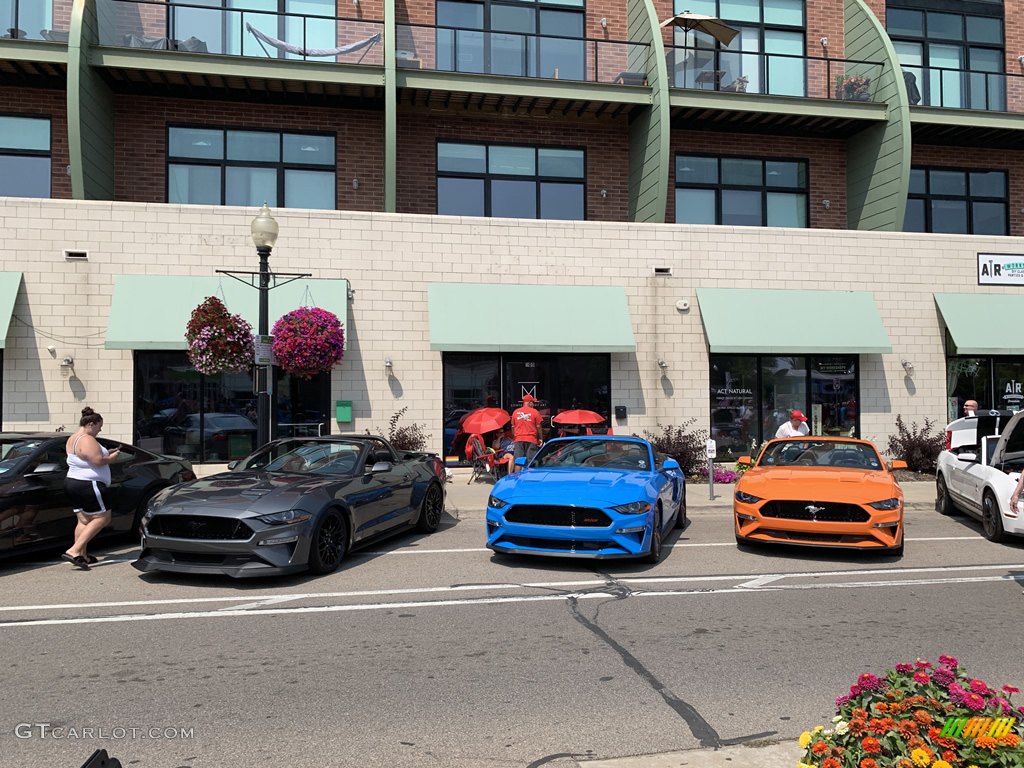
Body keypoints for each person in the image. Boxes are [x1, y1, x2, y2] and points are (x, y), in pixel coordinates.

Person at [61, 407, 120, 570]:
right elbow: (98, 461)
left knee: (84, 520)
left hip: (73, 482)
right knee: (102, 518)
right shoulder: (86, 438)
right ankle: (74, 550)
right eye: (99, 426)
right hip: (88, 484)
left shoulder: (73, 438)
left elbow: (87, 457)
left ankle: (83, 555)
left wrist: (106, 452)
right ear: (91, 424)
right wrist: (111, 458)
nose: (100, 430)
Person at [510, 394, 543, 472]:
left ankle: (517, 479)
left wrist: (515, 436)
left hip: (518, 439)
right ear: (529, 402)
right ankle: (528, 479)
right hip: (531, 439)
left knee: (518, 461)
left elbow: (512, 427)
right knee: (530, 461)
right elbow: (538, 426)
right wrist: (540, 438)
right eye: (533, 402)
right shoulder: (535, 412)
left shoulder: (515, 412)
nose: (533, 404)